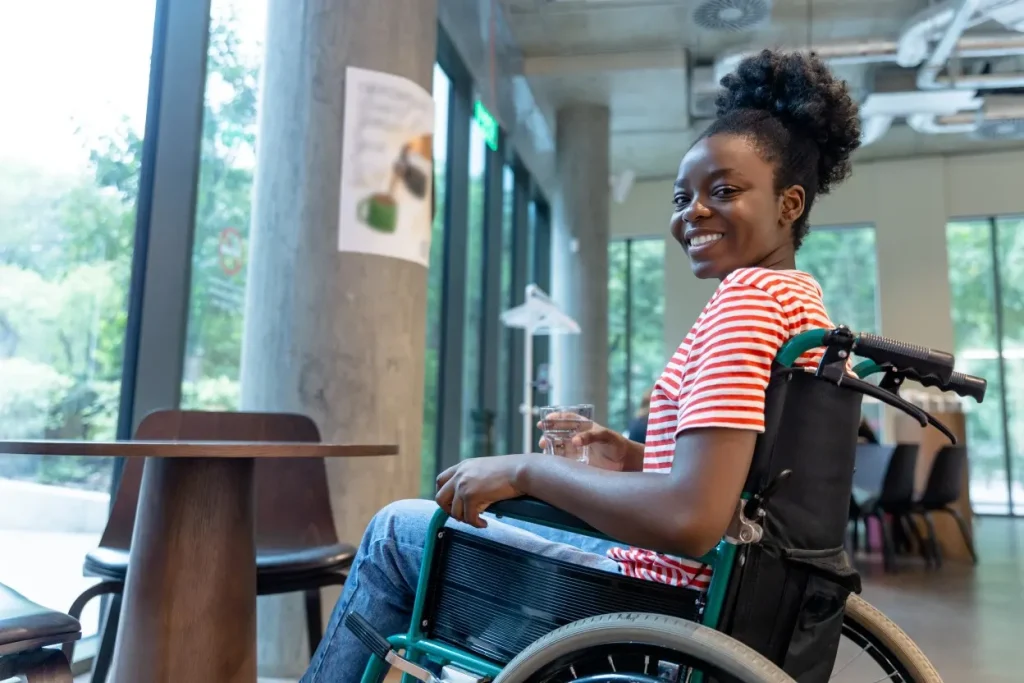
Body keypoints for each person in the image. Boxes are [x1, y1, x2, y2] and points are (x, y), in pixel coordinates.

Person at [302, 48, 861, 681]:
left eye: (724, 191)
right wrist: (631, 457)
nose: (693, 212)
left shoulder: (745, 304)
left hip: (656, 600)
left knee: (392, 532)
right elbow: (739, 486)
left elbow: (691, 518)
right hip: (712, 595)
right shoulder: (802, 306)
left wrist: (527, 470)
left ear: (789, 204)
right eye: (681, 197)